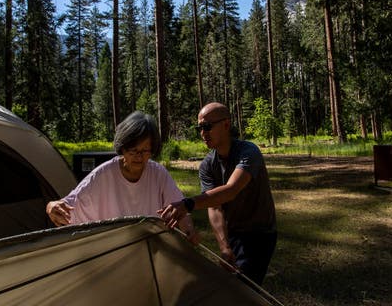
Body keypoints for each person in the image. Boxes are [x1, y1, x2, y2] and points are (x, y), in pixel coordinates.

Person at [158, 102, 276, 284]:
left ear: (226, 125)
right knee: (236, 286)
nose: (203, 133)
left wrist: (187, 204)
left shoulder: (249, 152)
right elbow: (214, 206)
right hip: (234, 231)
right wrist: (224, 246)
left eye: (207, 127)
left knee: (244, 289)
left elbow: (231, 190)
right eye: (200, 128)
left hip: (260, 232)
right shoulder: (207, 165)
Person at [46, 111, 197, 242]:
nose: (139, 156)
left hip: (151, 245)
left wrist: (189, 231)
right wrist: (51, 207)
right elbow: (69, 205)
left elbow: (180, 208)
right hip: (116, 249)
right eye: (133, 150)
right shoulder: (103, 175)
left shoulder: (158, 173)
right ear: (122, 148)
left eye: (145, 151)